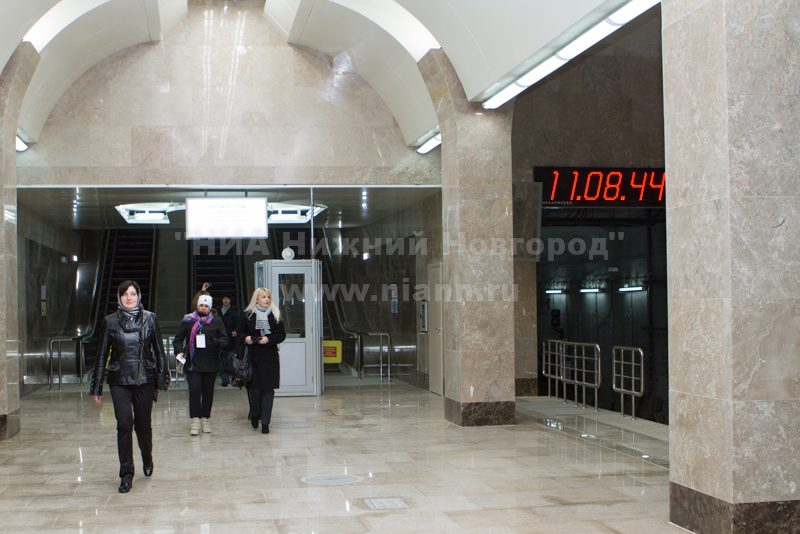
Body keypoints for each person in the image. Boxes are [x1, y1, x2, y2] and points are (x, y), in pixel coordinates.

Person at [90, 280, 169, 494]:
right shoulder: (110, 322)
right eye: (125, 294)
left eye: (132, 293)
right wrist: (96, 386)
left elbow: (159, 351)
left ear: (138, 296)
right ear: (119, 297)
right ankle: (126, 474)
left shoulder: (150, 319)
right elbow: (101, 355)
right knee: (124, 424)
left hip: (145, 380)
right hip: (119, 381)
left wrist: (161, 380)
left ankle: (147, 457)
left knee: (143, 426)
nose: (129, 297)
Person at [174, 295, 229, 435]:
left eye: (206, 306)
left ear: (210, 308)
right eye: (201, 305)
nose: (203, 308)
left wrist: (218, 342)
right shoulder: (188, 320)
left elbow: (225, 339)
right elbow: (178, 338)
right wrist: (179, 351)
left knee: (208, 391)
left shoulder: (216, 321)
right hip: (193, 362)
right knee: (195, 389)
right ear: (197, 306)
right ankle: (195, 419)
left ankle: (205, 418)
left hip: (210, 361)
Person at [235, 287, 286, 434]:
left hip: (269, 357)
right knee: (255, 390)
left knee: (268, 391)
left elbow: (281, 334)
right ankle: (255, 414)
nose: (266, 300)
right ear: (256, 299)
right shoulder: (247, 314)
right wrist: (246, 338)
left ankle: (265, 423)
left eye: (268, 297)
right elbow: (240, 332)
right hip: (252, 357)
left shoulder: (275, 314)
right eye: (263, 297)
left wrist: (268, 339)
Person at [218, 293, 239, 387]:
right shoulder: (218, 312)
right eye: (224, 298)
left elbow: (238, 324)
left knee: (228, 360)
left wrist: (235, 331)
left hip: (230, 340)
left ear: (230, 300)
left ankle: (229, 377)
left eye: (227, 298)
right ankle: (225, 379)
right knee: (221, 361)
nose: (226, 300)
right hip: (220, 340)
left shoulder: (234, 313)